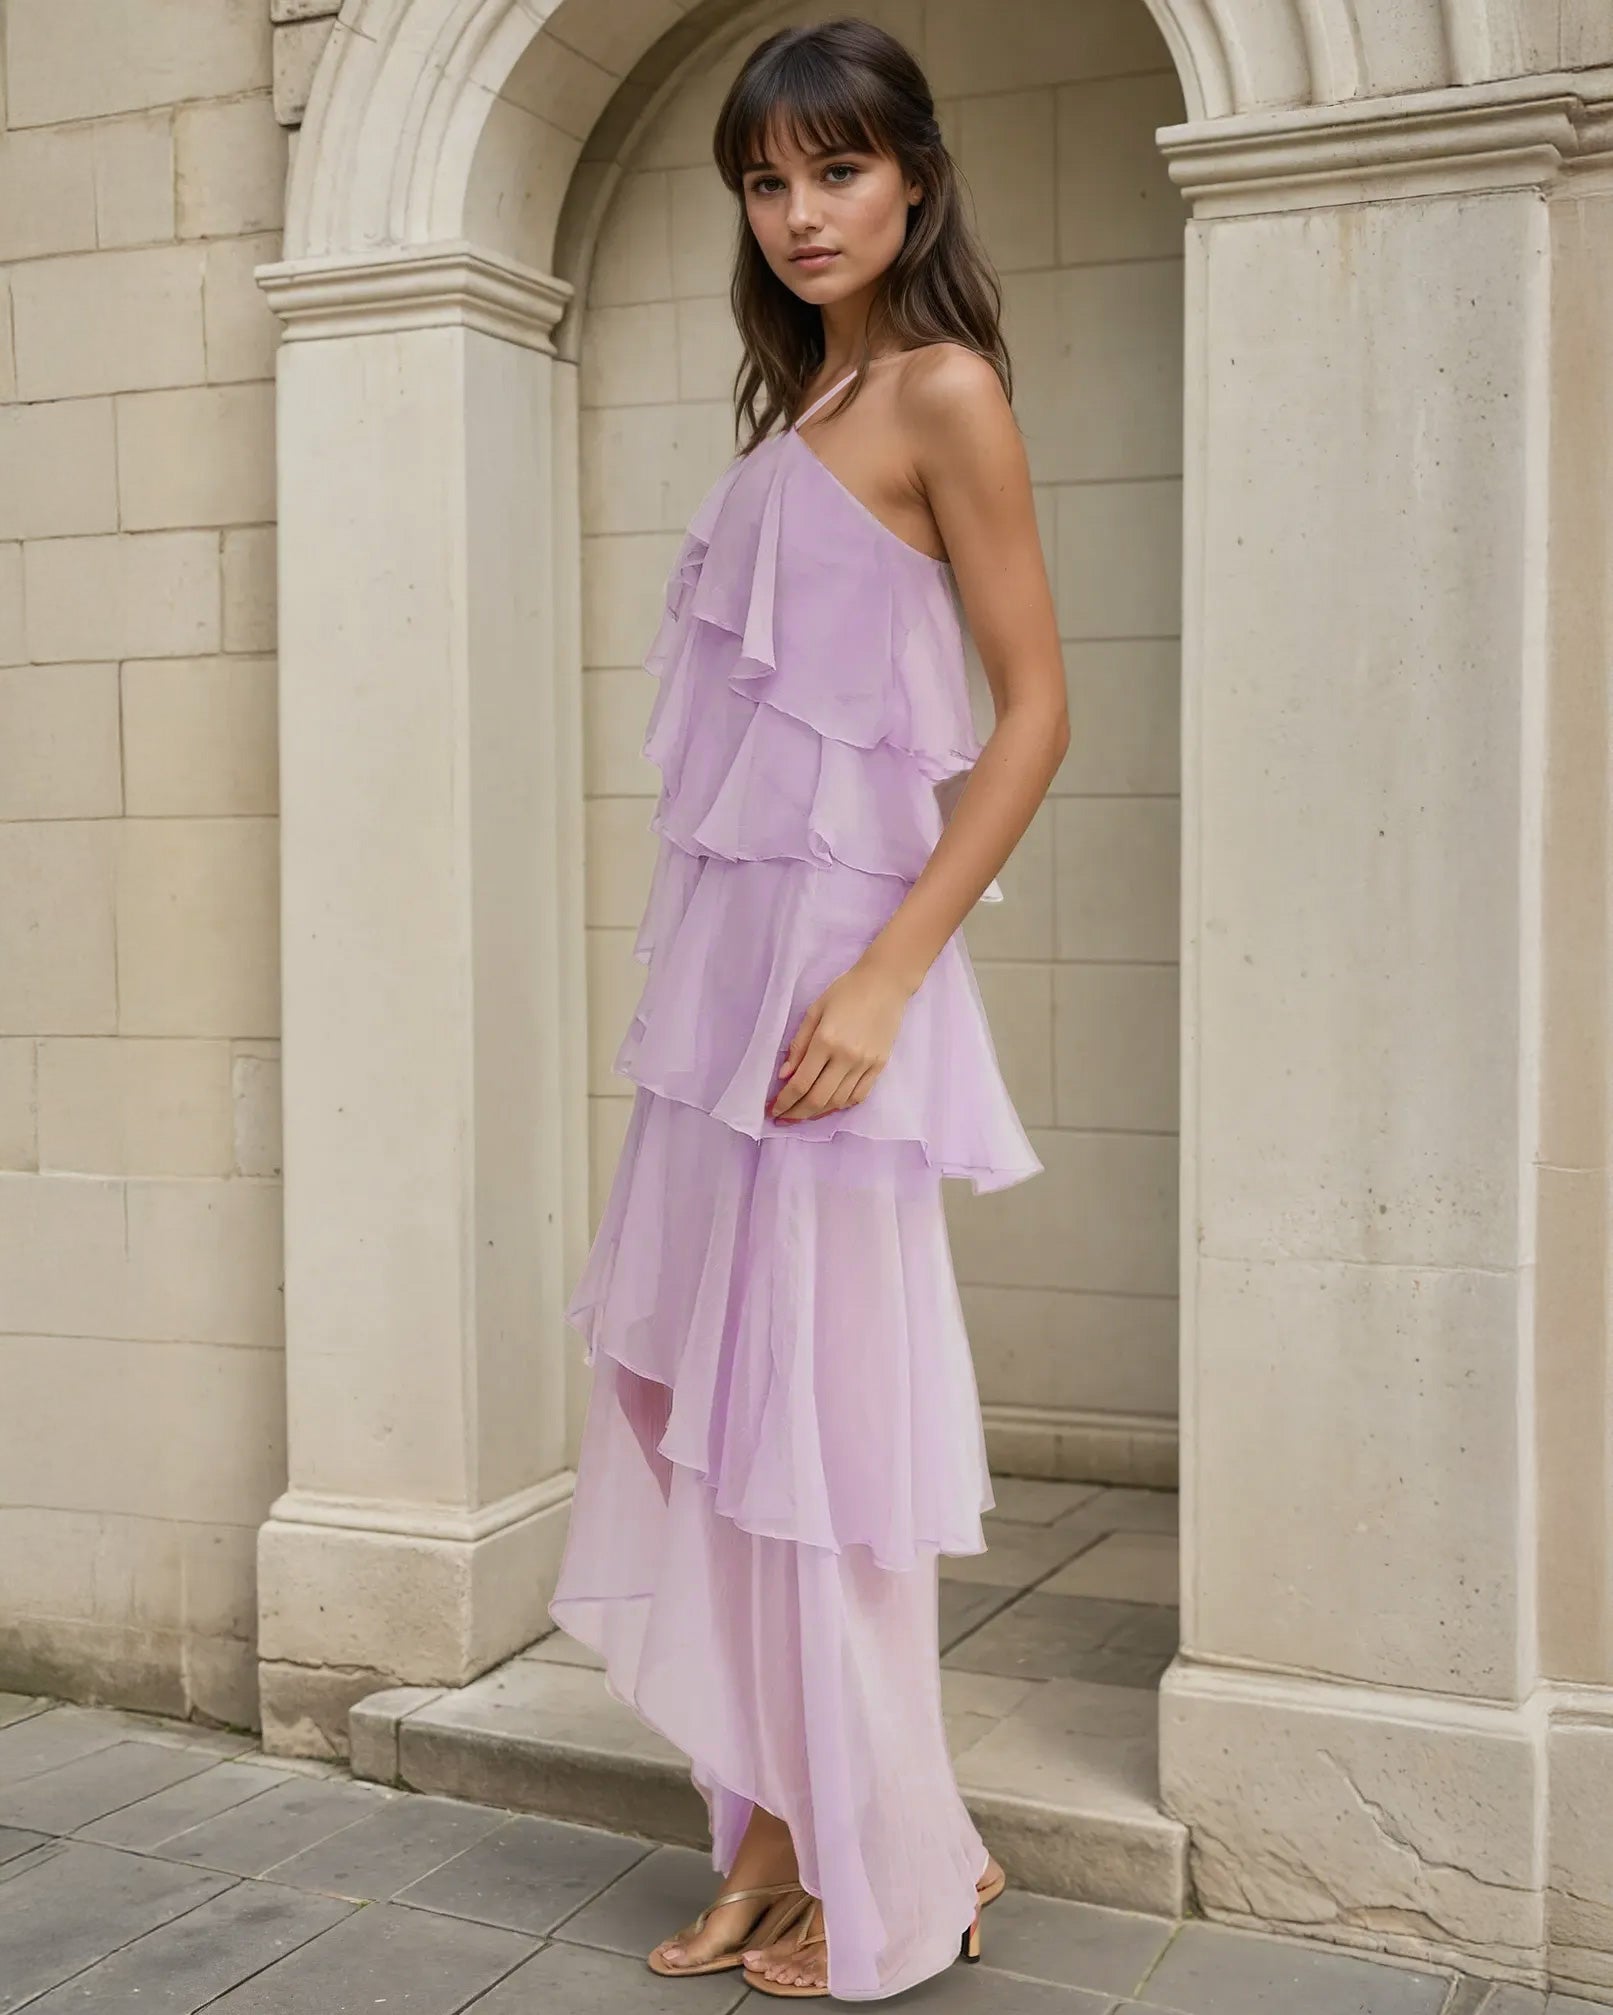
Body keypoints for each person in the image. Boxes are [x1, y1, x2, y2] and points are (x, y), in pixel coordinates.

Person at [546, 14, 1068, 2001]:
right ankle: (769, 1839)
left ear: (911, 178)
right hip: (722, 1017)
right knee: (708, 1417)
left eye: (834, 171)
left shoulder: (946, 394)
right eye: (767, 183)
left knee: (824, 1446)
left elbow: (1037, 719)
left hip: (846, 1006)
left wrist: (884, 977)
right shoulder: (784, 425)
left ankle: (900, 1860)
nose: (799, 212)